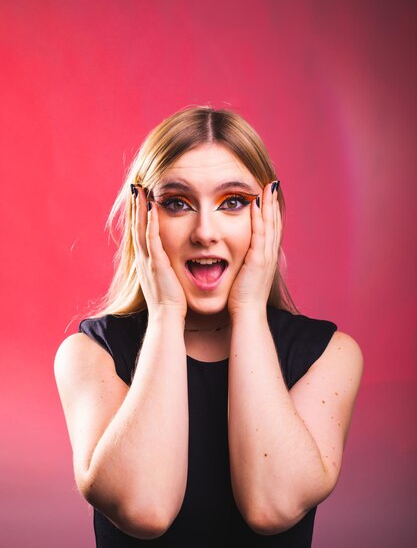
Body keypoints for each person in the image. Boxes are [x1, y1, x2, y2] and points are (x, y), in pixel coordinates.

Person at [54, 105, 363, 547]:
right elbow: (145, 509)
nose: (204, 231)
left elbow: (270, 506)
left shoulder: (330, 356)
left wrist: (250, 311)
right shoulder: (89, 355)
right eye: (177, 203)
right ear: (143, 217)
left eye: (232, 202)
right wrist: (163, 310)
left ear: (269, 214)